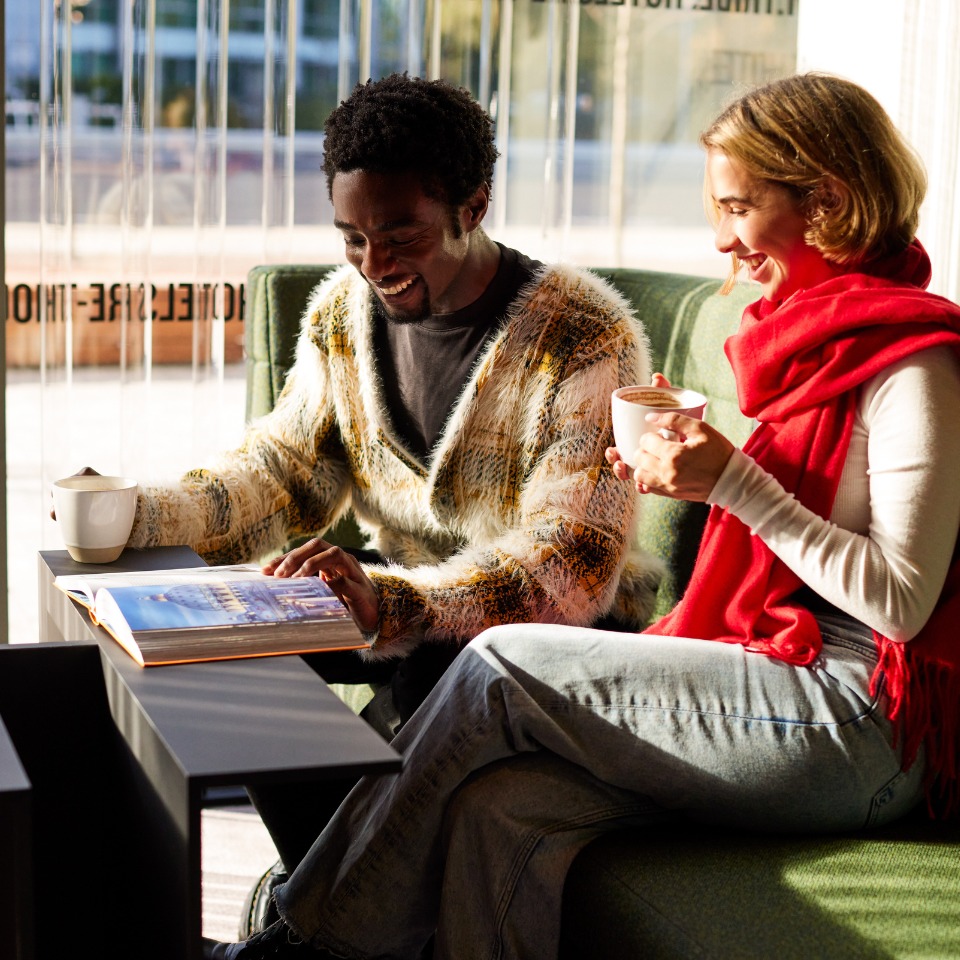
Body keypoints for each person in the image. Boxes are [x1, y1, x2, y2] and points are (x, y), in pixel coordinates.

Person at [202, 71, 960, 960]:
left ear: (825, 200)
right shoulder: (811, 333)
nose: (720, 238)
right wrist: (701, 473)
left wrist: (733, 485)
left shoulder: (916, 367)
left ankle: (297, 944)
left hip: (859, 721)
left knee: (497, 665)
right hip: (776, 675)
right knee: (500, 809)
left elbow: (901, 601)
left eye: (737, 207)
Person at [87, 74, 664, 890]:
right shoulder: (338, 316)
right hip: (398, 613)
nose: (374, 264)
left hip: (556, 638)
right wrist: (129, 516)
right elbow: (281, 474)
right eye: (352, 237)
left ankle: (314, 921)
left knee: (440, 675)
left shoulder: (579, 334)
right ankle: (328, 909)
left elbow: (569, 565)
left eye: (400, 234)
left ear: (475, 203)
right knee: (220, 662)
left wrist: (390, 603)